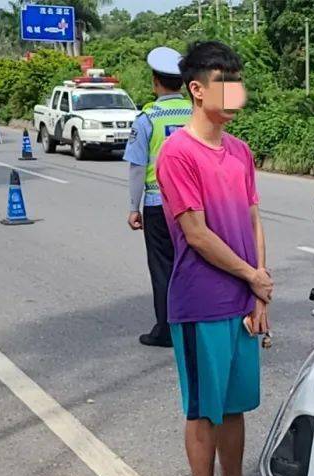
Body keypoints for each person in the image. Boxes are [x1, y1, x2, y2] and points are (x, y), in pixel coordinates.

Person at [155, 41, 272, 476]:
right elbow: (197, 234)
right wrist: (251, 275)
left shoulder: (240, 151)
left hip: (243, 298)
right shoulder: (177, 153)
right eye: (226, 82)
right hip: (201, 302)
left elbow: (252, 218)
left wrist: (259, 286)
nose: (235, 93)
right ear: (198, 89)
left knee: (236, 402)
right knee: (204, 405)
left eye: (238, 82)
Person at [124, 46, 193, 348]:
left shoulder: (147, 118)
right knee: (192, 265)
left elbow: (138, 168)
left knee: (163, 267)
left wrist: (132, 208)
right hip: (194, 206)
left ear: (155, 82)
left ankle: (165, 331)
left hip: (158, 206)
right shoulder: (196, 113)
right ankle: (195, 328)